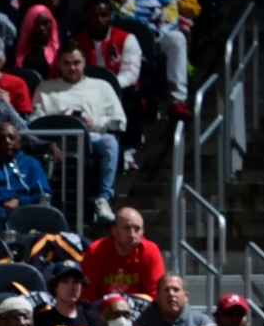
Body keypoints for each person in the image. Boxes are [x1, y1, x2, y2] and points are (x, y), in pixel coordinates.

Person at [32, 45, 125, 222]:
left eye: (76, 63)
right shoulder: (45, 88)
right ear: (59, 64)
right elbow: (33, 122)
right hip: (55, 140)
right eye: (66, 63)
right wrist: (57, 120)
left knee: (110, 142)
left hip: (92, 137)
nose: (72, 67)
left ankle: (103, 198)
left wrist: (94, 122)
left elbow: (120, 122)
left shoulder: (102, 87)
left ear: (84, 63)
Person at [82, 209, 165, 302]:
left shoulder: (150, 251)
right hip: (102, 311)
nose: (132, 235)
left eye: (137, 229)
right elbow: (86, 293)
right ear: (114, 230)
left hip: (141, 311)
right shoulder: (95, 251)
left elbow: (155, 294)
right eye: (126, 228)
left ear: (142, 232)